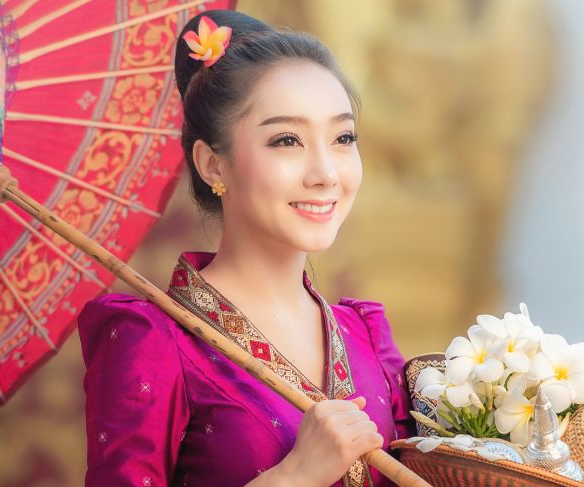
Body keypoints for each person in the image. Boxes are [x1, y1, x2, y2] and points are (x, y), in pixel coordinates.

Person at [76, 9, 414, 487]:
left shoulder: (364, 334)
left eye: (343, 138)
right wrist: (294, 477)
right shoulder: (154, 340)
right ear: (213, 165)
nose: (326, 174)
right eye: (287, 140)